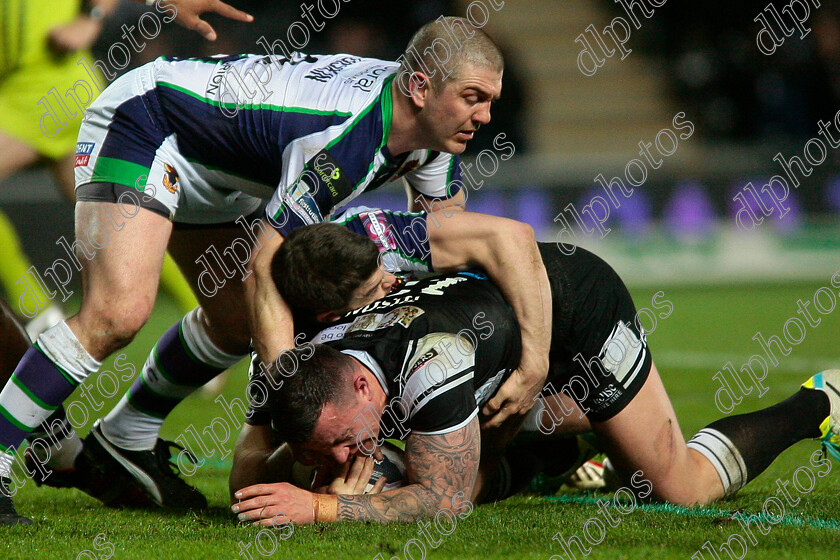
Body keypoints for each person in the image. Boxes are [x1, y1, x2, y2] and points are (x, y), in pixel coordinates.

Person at [0, 18, 509, 521]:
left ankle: (123, 440)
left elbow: (448, 249)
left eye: (490, 100)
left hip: (219, 162)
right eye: (473, 97)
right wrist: (291, 404)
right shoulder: (345, 139)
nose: (485, 116)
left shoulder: (428, 135)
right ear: (420, 87)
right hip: (147, 120)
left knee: (238, 323)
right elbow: (263, 267)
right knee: (118, 312)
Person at [228, 238, 840, 525]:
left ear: (364, 390)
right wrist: (304, 470)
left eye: (340, 438)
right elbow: (247, 471)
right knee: (396, 471)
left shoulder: (430, 361)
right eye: (324, 448)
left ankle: (817, 403)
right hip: (489, 340)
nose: (337, 456)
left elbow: (446, 502)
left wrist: (323, 505)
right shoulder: (290, 364)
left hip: (570, 305)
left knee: (675, 487)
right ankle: (575, 445)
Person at [0, 0, 253, 337]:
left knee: (123, 215)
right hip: (44, 88)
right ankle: (208, 314)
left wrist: (91, 18)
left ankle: (36, 310)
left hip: (46, 87)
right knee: (122, 217)